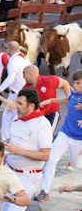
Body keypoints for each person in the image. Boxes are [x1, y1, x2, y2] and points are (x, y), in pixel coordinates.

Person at [0, 88, 52, 211]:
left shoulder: (42, 124)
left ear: (32, 106)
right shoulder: (16, 119)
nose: (16, 107)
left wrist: (19, 151)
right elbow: (11, 145)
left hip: (29, 176)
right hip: (9, 171)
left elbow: (46, 155)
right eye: (17, 103)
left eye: (20, 104)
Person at [34, 69, 82, 203]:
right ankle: (45, 191)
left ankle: (74, 161)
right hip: (65, 134)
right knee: (51, 159)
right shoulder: (74, 94)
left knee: (76, 165)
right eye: (74, 82)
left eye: (78, 83)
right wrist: (49, 101)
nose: (75, 85)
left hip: (79, 140)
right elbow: (67, 99)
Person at [0, 41, 31, 141]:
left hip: (16, 94)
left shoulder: (13, 60)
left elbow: (11, 78)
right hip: (24, 93)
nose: (6, 50)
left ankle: (6, 140)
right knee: (17, 117)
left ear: (9, 49)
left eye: (7, 48)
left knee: (8, 117)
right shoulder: (25, 59)